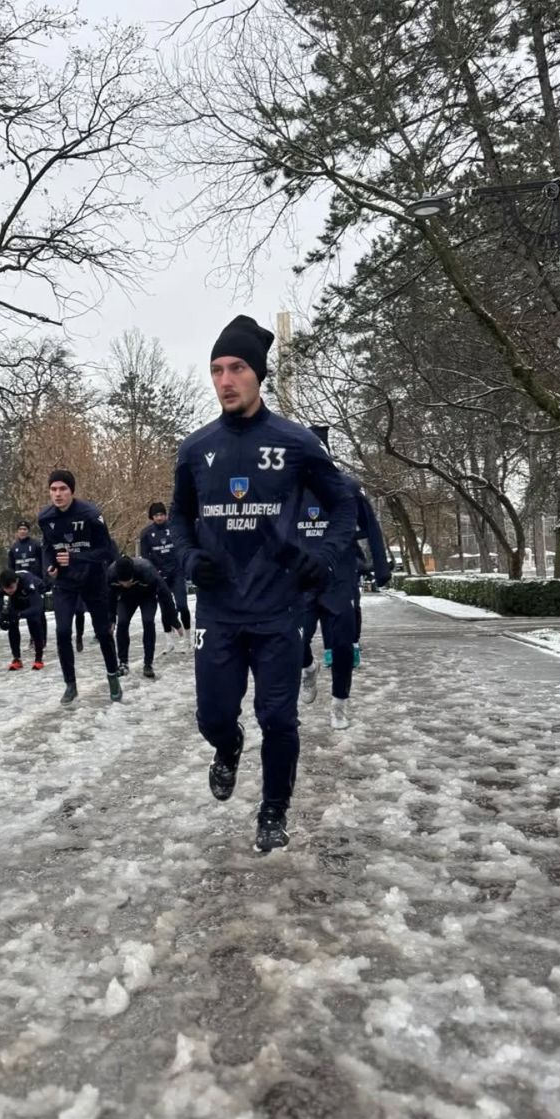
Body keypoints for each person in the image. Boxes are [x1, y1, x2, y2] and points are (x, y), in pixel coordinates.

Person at [170, 317, 356, 852]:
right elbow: (180, 519)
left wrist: (321, 557)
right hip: (220, 612)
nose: (225, 379)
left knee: (278, 716)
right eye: (216, 370)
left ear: (259, 375)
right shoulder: (194, 448)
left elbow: (343, 505)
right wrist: (187, 559)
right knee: (213, 717)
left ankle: (274, 810)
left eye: (237, 368)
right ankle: (227, 750)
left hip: (279, 610)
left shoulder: (295, 442)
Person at [297, 425, 392, 728]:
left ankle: (340, 703)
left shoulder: (347, 488)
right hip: (302, 582)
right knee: (292, 639)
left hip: (339, 580)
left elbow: (371, 526)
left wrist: (381, 566)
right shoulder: (290, 489)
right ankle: (308, 669)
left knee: (341, 647)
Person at [38, 469, 122, 705]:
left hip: (93, 579)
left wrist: (75, 558)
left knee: (103, 631)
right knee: (62, 632)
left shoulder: (90, 514)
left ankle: (113, 677)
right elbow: (47, 547)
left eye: (63, 489)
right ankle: (70, 684)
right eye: (53, 489)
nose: (58, 494)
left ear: (72, 491)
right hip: (65, 583)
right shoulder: (45, 517)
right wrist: (50, 566)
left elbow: (108, 551)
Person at [107, 554, 178, 680]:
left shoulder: (147, 570)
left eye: (128, 581)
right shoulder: (111, 574)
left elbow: (165, 595)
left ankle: (148, 663)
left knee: (148, 621)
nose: (125, 584)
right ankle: (123, 663)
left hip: (147, 597)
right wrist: (111, 618)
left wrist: (173, 619)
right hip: (126, 599)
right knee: (122, 622)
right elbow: (109, 597)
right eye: (121, 582)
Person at [140, 502, 190, 653]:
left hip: (176, 572)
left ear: (166, 515)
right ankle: (169, 641)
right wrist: (155, 571)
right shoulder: (146, 533)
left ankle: (188, 639)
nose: (159, 518)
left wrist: (182, 566)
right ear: (152, 517)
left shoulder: (174, 528)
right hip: (160, 575)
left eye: (162, 514)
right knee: (165, 609)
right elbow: (145, 555)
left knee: (182, 605)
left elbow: (182, 547)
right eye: (156, 515)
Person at [0, 567, 47, 670]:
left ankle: (38, 658)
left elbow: (37, 608)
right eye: (6, 589)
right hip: (17, 599)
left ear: (17, 581)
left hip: (33, 595)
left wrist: (20, 614)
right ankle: (16, 658)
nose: (9, 590)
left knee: (34, 622)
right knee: (12, 622)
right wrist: (0, 620)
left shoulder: (27, 581)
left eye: (11, 587)